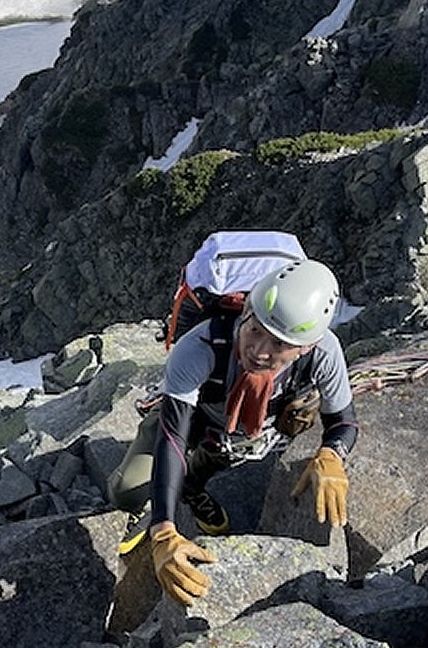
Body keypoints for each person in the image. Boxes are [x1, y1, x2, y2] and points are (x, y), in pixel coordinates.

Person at [106, 259, 358, 605]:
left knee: (214, 458)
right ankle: (153, 500)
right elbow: (173, 436)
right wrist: (163, 528)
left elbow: (343, 421)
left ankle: (191, 488)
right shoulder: (200, 346)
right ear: (247, 313)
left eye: (279, 345)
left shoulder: (325, 353)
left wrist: (332, 453)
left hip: (242, 431)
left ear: (306, 347)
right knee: (124, 492)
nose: (259, 351)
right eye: (255, 330)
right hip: (190, 418)